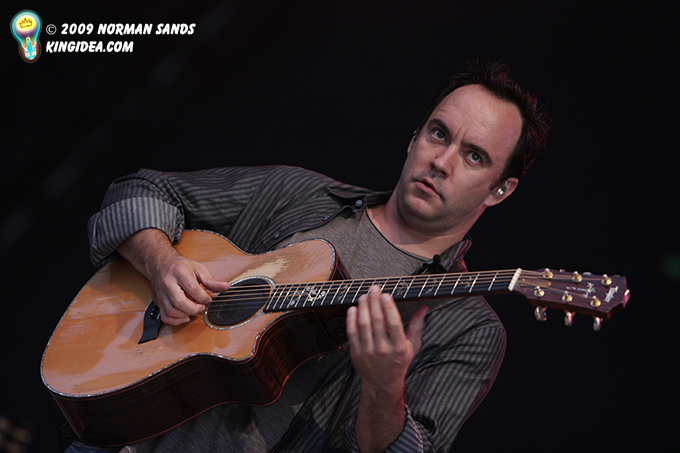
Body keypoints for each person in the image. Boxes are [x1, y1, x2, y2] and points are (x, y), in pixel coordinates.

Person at [66, 61, 550, 452]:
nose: (441, 162)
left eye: (474, 156)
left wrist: (385, 387)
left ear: (501, 190)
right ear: (414, 137)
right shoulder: (298, 194)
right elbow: (138, 190)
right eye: (438, 134)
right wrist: (160, 263)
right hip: (119, 440)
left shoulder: (468, 328)